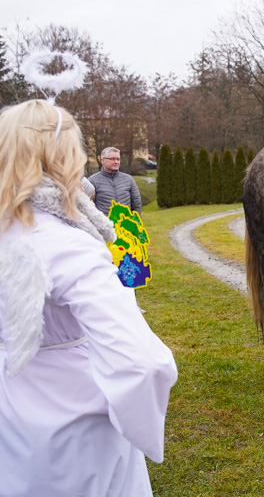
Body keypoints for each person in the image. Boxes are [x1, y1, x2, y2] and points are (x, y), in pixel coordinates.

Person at [0, 99, 178, 496]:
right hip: (76, 426)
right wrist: (140, 425)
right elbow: (142, 365)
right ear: (66, 157)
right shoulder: (69, 247)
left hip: (9, 416)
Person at [88, 146, 142, 215]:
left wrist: (136, 222)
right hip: (104, 224)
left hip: (125, 224)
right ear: (102, 161)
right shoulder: (92, 181)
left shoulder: (129, 179)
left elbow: (136, 204)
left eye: (118, 159)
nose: (116, 162)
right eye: (112, 159)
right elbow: (89, 207)